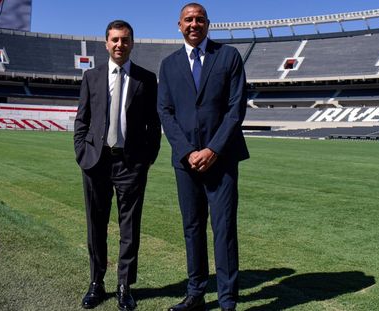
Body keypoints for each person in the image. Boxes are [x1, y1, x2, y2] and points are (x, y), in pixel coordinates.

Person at [157, 3, 249, 311]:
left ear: (208, 24)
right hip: (186, 162)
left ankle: (227, 300)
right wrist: (187, 152)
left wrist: (212, 149)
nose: (194, 24)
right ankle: (195, 293)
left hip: (221, 160)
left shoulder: (229, 56)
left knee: (223, 229)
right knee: (192, 227)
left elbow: (236, 109)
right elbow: (165, 112)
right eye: (188, 20)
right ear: (179, 25)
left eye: (199, 19)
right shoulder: (168, 65)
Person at [74, 20, 161, 310]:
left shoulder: (146, 79)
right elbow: (82, 120)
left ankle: (125, 286)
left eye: (124, 40)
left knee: (130, 228)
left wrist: (146, 160)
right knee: (95, 226)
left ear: (132, 43)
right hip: (96, 162)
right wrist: (81, 154)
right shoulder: (91, 77)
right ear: (106, 43)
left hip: (130, 164)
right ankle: (96, 283)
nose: (119, 45)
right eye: (114, 40)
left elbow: (153, 124)